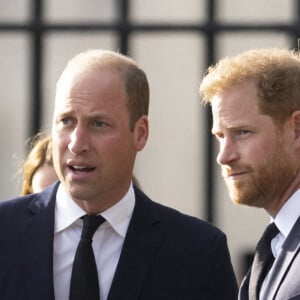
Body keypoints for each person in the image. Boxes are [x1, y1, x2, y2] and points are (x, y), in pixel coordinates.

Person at [0, 49, 237, 300]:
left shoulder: (197, 252)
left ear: (140, 133)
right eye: (66, 121)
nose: (76, 144)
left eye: (98, 124)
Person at [199, 48, 300, 300]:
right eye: (220, 136)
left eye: (242, 132)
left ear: (296, 130)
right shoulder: (275, 244)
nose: (224, 156)